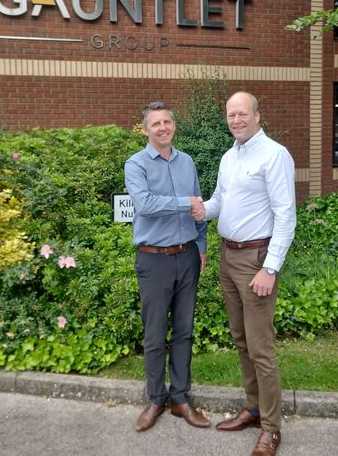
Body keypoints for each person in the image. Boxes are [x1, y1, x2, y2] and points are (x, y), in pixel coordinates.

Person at [193, 92, 296, 456]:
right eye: (230, 114)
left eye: (242, 113)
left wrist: (270, 268)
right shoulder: (228, 156)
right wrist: (201, 209)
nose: (235, 120)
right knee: (241, 339)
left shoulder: (275, 155)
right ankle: (253, 409)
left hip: (257, 259)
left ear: (257, 115)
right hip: (228, 257)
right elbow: (220, 201)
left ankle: (271, 427)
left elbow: (286, 216)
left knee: (261, 347)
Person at [125, 101, 210, 432]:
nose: (163, 127)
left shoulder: (186, 162)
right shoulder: (136, 164)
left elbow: (199, 207)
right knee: (156, 332)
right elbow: (144, 205)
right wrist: (183, 203)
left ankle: (180, 398)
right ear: (145, 129)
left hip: (187, 256)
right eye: (156, 123)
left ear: (174, 125)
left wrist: (201, 246)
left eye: (168, 121)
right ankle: (156, 398)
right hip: (153, 259)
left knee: (185, 331)